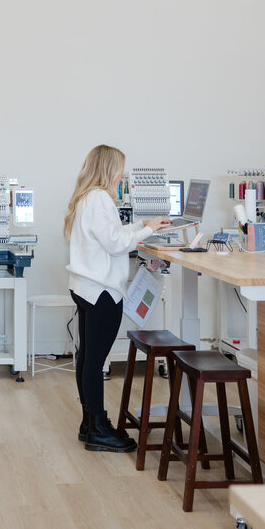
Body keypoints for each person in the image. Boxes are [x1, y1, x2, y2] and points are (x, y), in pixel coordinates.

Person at [64, 144, 172, 452]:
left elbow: (110, 233)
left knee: (87, 357)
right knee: (94, 361)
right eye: (120, 168)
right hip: (102, 292)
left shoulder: (88, 198)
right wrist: (147, 232)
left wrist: (144, 225)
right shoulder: (100, 198)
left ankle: (91, 424)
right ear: (109, 170)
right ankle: (98, 428)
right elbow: (115, 244)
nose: (123, 174)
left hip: (86, 287)